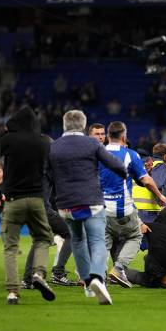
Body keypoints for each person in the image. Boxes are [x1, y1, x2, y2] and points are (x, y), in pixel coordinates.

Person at [48, 110, 127, 305]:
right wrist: (124, 173)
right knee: (97, 240)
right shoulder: (92, 143)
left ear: (64, 125)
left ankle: (87, 283)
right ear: (83, 126)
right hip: (91, 201)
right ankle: (97, 278)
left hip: (65, 204)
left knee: (77, 240)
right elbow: (114, 164)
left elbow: (46, 174)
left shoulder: (54, 146)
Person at [0, 106, 56, 305]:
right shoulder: (42, 142)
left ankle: (13, 292)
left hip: (13, 200)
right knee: (43, 238)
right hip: (36, 199)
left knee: (10, 247)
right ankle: (39, 273)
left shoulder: (8, 140)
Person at [99, 121, 166, 288]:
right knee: (135, 235)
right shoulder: (130, 154)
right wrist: (160, 196)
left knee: (104, 241)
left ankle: (98, 275)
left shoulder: (96, 153)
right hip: (123, 209)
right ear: (124, 136)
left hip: (101, 209)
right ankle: (119, 269)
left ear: (107, 136)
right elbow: (147, 180)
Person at [22, 135, 78, 288]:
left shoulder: (27, 163)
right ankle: (58, 273)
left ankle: (27, 280)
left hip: (26, 206)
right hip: (42, 208)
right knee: (70, 234)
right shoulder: (49, 165)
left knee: (40, 240)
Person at [125, 206, 166, 288]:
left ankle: (117, 274)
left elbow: (132, 223)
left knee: (130, 271)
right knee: (149, 258)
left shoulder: (150, 227)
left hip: (154, 277)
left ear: (162, 215)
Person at [133, 143, 166, 242]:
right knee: (157, 242)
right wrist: (161, 198)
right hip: (148, 211)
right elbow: (156, 184)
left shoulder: (141, 163)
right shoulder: (160, 166)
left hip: (135, 208)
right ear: (165, 155)